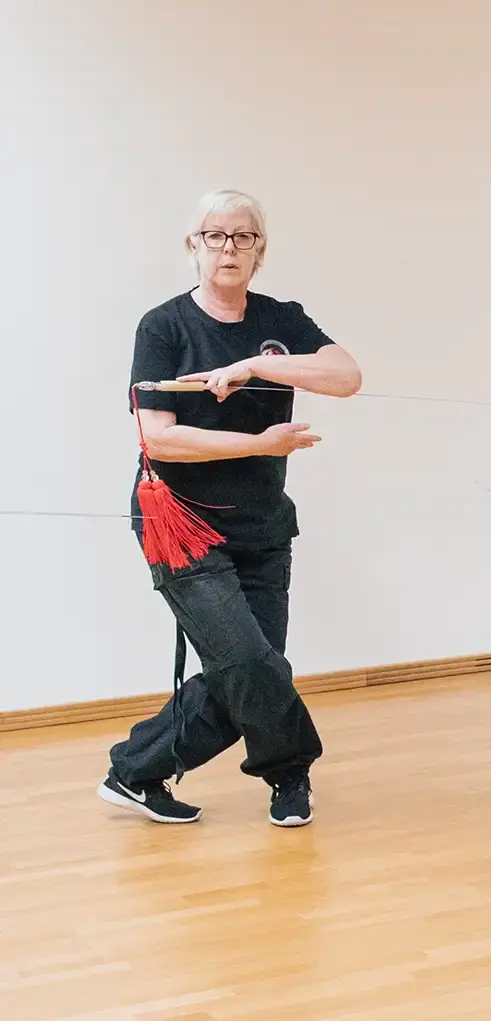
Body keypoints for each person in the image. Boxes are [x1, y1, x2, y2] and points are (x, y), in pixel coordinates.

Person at [99, 190, 362, 827]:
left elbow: (346, 375)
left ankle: (135, 771)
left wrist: (255, 366)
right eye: (216, 236)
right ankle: (290, 769)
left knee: (253, 665)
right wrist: (257, 442)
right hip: (180, 525)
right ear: (194, 246)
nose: (229, 248)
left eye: (243, 238)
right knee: (247, 662)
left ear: (260, 252)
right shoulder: (162, 327)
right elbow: (157, 436)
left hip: (264, 523)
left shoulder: (280, 322)